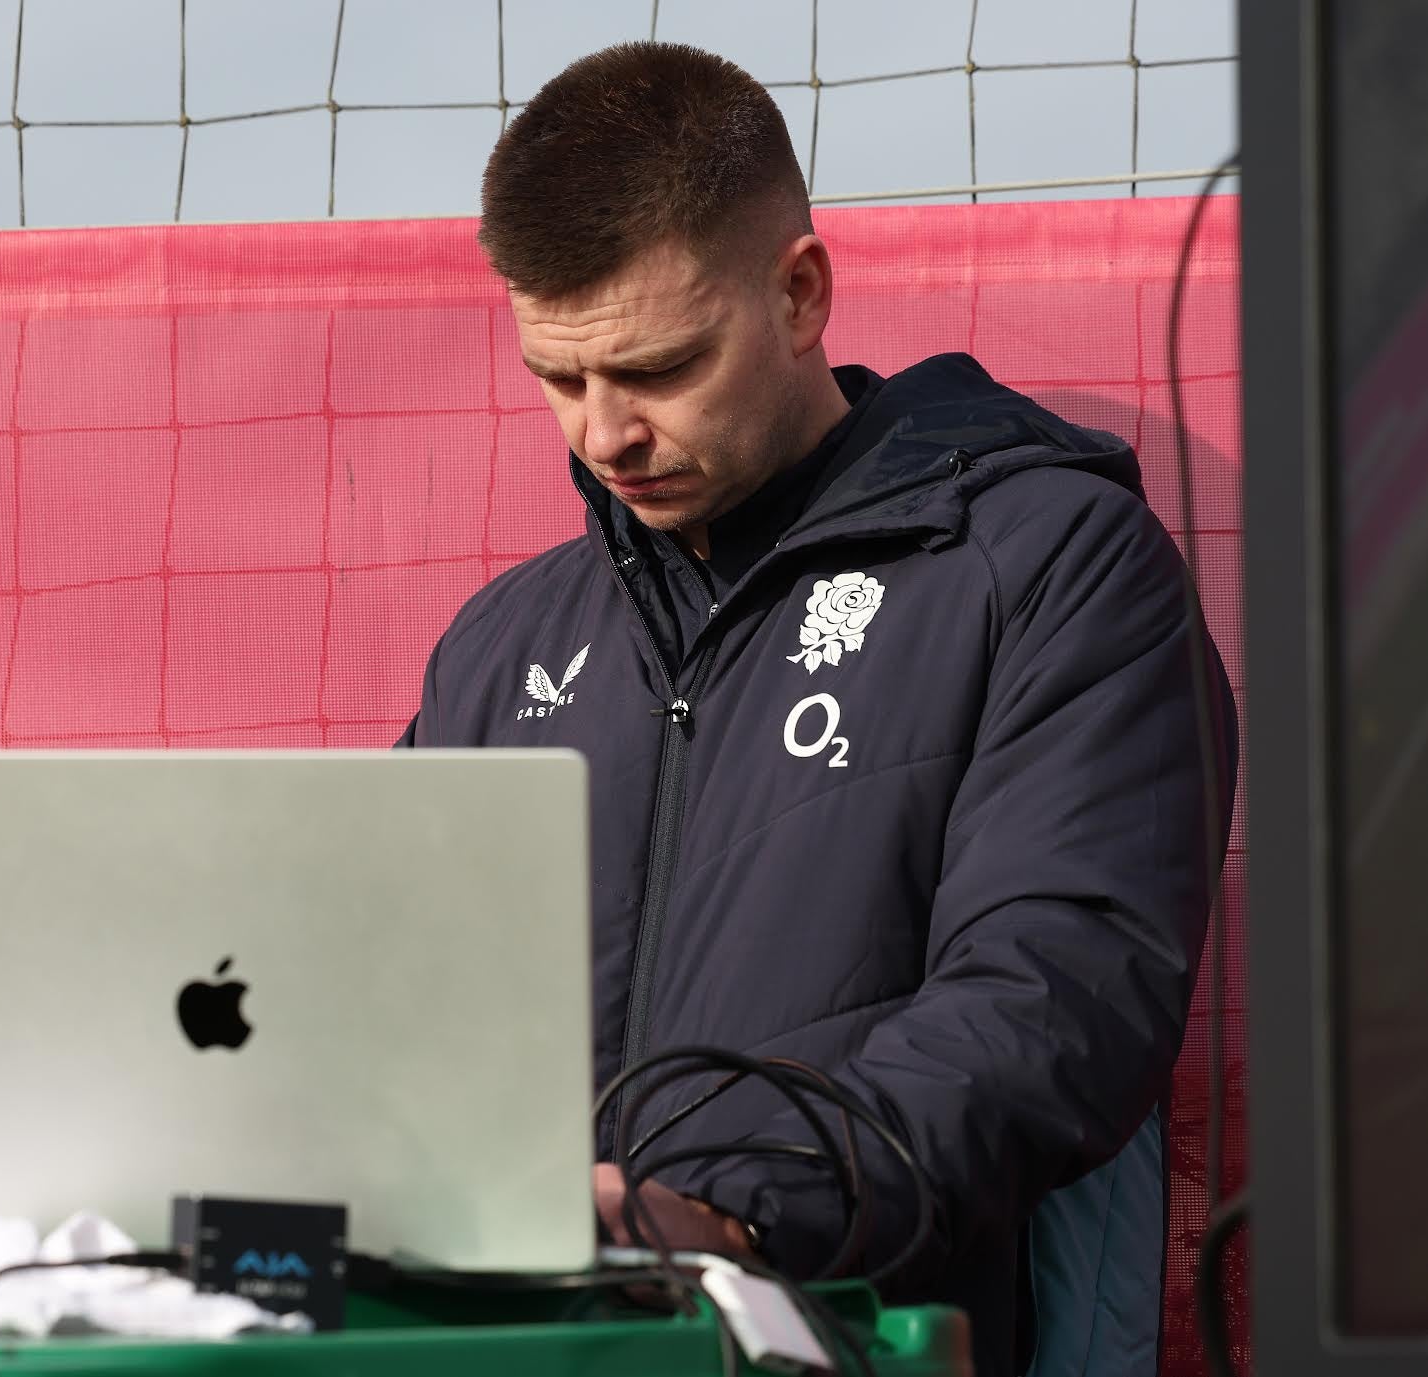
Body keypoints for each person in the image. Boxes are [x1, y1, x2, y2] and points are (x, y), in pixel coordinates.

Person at [396, 42, 1235, 1376]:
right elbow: (374, 998)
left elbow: (1057, 992)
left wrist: (737, 1214)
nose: (603, 436)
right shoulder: (504, 644)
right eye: (560, 378)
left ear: (797, 295)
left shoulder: (1054, 564)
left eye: (658, 368)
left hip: (865, 1338)